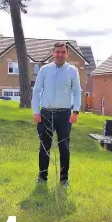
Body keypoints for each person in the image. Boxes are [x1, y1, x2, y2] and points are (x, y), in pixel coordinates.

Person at [31, 42, 82, 188]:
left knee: (64, 147)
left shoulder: (72, 71)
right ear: (53, 53)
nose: (60, 54)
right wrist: (36, 111)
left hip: (65, 114)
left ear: (67, 54)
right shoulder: (44, 70)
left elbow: (77, 92)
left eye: (63, 52)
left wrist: (75, 112)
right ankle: (42, 176)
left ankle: (64, 179)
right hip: (46, 113)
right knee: (44, 147)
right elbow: (36, 91)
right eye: (57, 52)